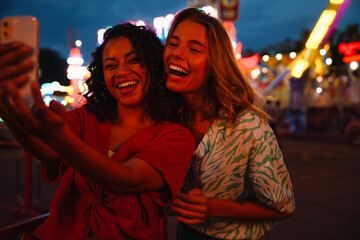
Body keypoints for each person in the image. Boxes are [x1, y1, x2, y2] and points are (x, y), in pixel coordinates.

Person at [0, 23, 195, 239]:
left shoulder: (176, 136)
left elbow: (127, 179)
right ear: (102, 76)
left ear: (154, 66)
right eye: (111, 65)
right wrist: (6, 108)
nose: (122, 72)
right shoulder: (87, 118)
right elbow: (45, 150)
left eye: (134, 60)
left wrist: (60, 138)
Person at [163, 8, 295, 240]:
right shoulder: (167, 118)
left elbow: (282, 206)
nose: (177, 53)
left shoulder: (248, 126)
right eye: (173, 44)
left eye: (194, 49)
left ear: (215, 63)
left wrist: (213, 207)